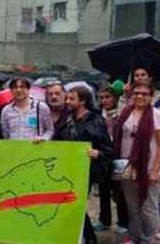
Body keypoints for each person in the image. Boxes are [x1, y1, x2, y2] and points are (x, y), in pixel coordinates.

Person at [53, 86, 114, 244]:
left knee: (76, 204)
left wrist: (97, 153)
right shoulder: (66, 119)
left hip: (86, 171)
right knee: (71, 204)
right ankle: (84, 236)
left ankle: (89, 238)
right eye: (67, 98)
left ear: (83, 101)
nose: (67, 101)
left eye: (71, 99)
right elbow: (56, 142)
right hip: (67, 170)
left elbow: (108, 149)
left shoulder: (95, 120)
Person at [114, 82, 160, 243]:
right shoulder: (126, 112)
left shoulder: (156, 114)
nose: (140, 96)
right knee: (132, 206)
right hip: (127, 168)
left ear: (151, 97)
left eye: (145, 93)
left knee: (148, 207)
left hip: (150, 167)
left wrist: (155, 170)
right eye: (136, 93)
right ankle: (135, 236)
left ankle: (148, 238)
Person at [95, 85, 129, 235]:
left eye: (108, 97)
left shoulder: (122, 114)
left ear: (115, 98)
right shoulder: (97, 115)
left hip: (118, 156)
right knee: (103, 191)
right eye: (101, 98)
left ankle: (123, 222)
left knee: (119, 192)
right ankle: (104, 220)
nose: (105, 100)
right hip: (103, 157)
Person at [0, 77, 53, 141]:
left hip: (35, 148)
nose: (19, 90)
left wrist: (44, 138)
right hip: (14, 149)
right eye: (15, 87)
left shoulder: (41, 107)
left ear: (28, 89)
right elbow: (5, 133)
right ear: (11, 90)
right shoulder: (6, 110)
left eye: (22, 87)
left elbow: (50, 129)